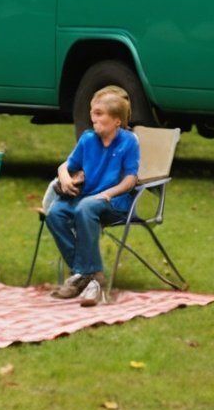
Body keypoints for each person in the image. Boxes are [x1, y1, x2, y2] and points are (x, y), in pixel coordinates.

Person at [44, 85, 141, 307]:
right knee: (55, 212)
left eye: (99, 114)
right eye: (92, 112)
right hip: (86, 199)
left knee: (85, 207)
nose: (92, 117)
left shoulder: (129, 141)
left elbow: (131, 179)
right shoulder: (88, 139)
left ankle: (85, 279)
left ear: (117, 120)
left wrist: (108, 193)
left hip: (115, 202)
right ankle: (89, 275)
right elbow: (66, 165)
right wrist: (65, 178)